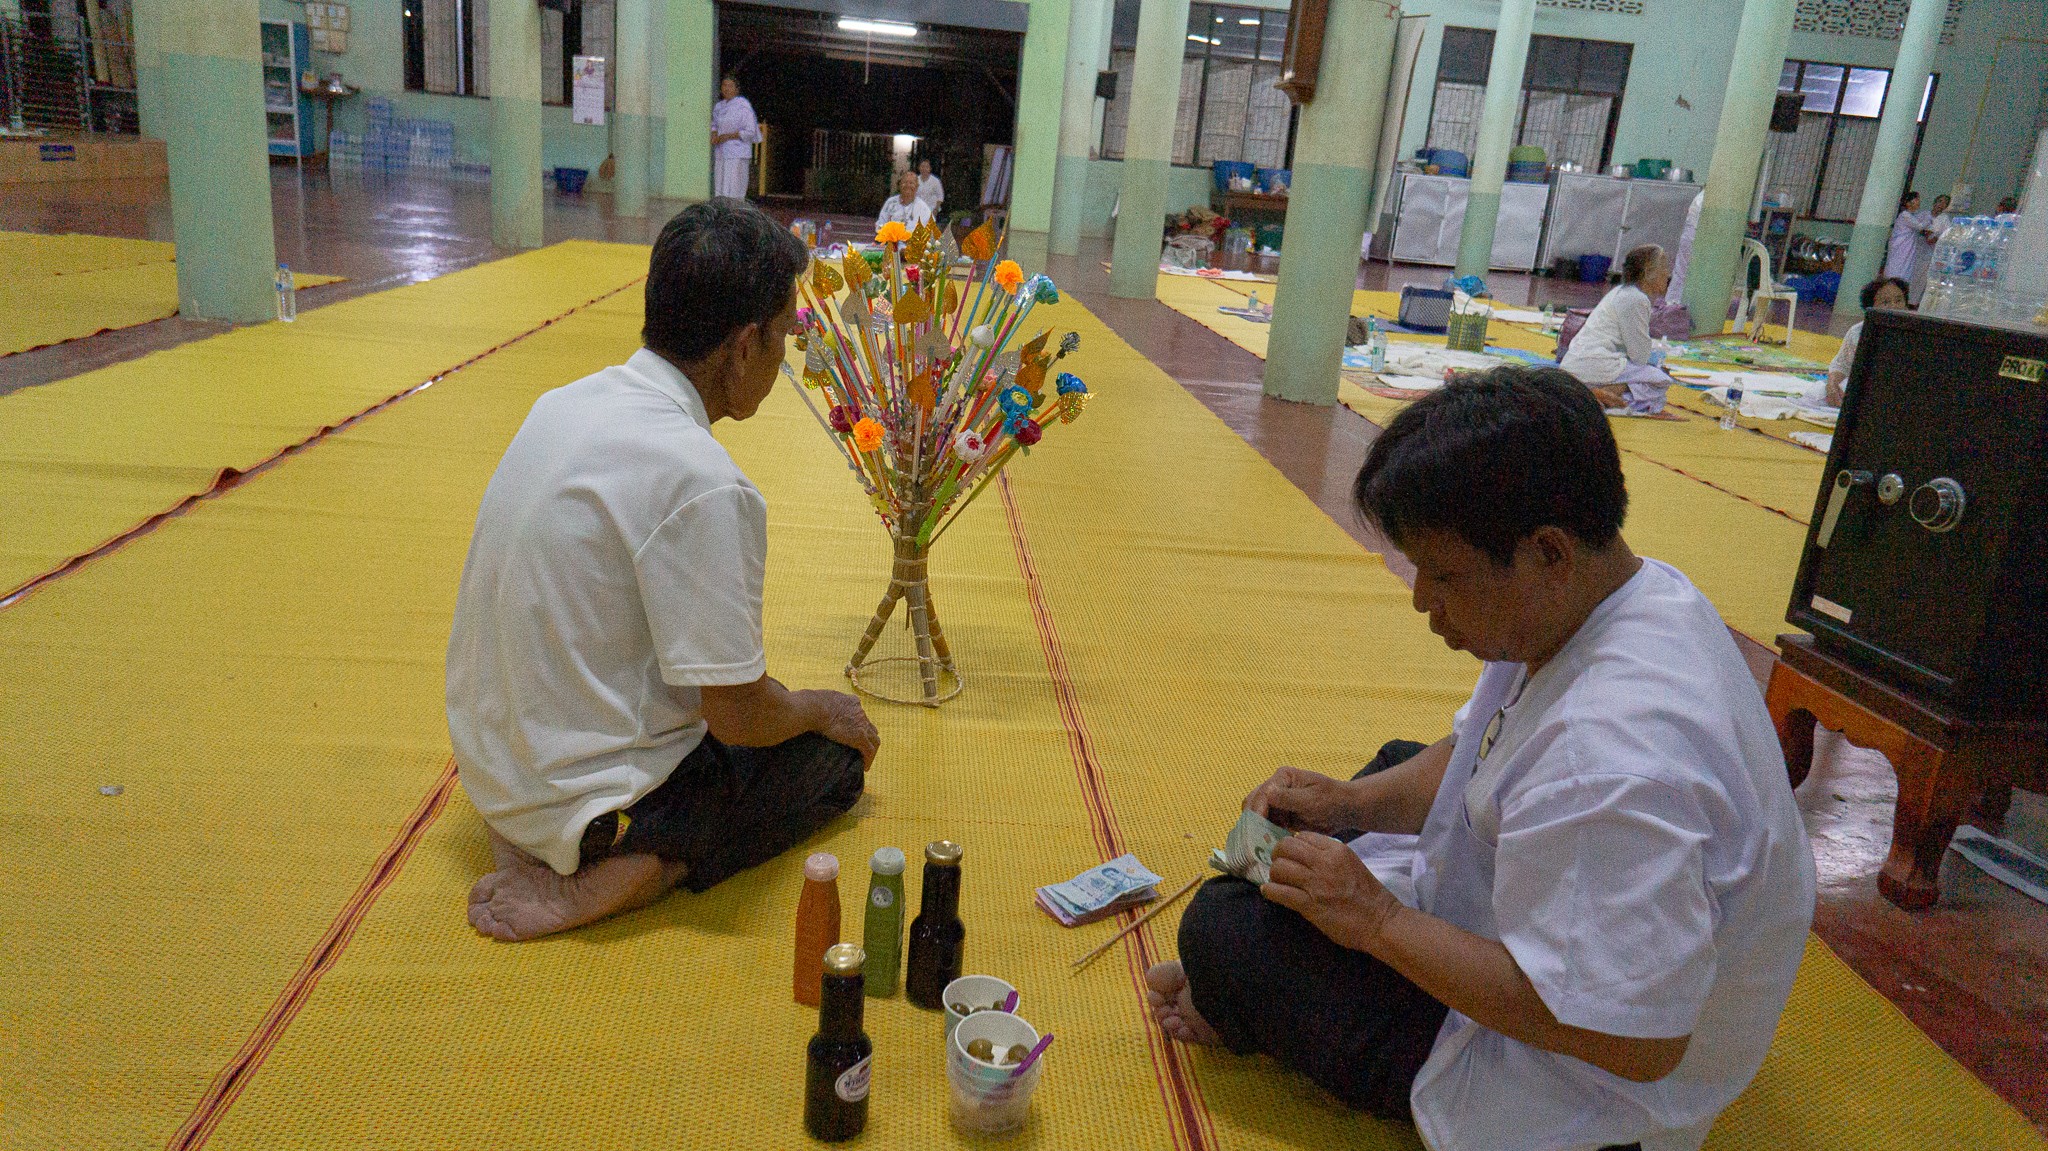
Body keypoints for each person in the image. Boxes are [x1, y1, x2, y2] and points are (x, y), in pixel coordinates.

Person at [1145, 366, 1816, 1151]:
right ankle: (1267, 965)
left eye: (1445, 575)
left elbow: (1638, 1042)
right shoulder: (1616, 596)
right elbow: (1480, 747)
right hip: (1578, 912)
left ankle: (1234, 999)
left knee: (1224, 931)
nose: (1421, 599)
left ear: (1548, 552)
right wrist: (1346, 804)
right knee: (1388, 771)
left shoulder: (1614, 756)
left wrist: (1378, 921)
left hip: (1581, 1082)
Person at [449, 199, 882, 943]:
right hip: (585, 803)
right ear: (743, 347)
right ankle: (621, 870)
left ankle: (535, 832)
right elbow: (739, 717)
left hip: (492, 772)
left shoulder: (562, 404)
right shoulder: (704, 482)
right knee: (834, 763)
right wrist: (820, 709)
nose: (783, 359)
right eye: (783, 337)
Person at [1558, 244, 1674, 415]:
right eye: (1663, 267)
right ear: (1648, 272)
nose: (1667, 274)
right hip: (1597, 365)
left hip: (1579, 364)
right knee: (1660, 381)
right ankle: (1599, 395)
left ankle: (1599, 394)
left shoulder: (1621, 292)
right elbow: (1640, 356)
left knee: (1647, 384)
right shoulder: (1636, 299)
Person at [1826, 277, 1909, 406]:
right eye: (1885, 302)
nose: (1894, 306)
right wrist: (1832, 385)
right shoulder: (1858, 332)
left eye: (1899, 300)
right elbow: (1841, 365)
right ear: (1870, 308)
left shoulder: (1913, 333)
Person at [711, 76, 761, 199]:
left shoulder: (743, 106)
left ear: (737, 89)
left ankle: (734, 209)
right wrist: (714, 134)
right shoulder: (719, 106)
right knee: (720, 186)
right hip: (721, 151)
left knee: (733, 186)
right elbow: (714, 124)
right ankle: (721, 208)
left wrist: (729, 136)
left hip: (737, 152)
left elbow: (750, 131)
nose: (726, 89)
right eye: (724, 85)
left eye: (730, 86)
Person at [1908, 194, 1950, 302]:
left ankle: (1914, 302)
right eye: (1940, 201)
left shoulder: (1944, 219)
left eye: (1945, 203)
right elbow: (1914, 228)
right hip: (1917, 249)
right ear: (1935, 202)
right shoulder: (1923, 215)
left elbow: (1945, 236)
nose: (1941, 204)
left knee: (1922, 278)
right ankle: (1906, 298)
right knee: (1911, 274)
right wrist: (1924, 233)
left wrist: (1935, 238)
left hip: (1930, 253)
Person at [1665, 188, 1704, 302]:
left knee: (1680, 275)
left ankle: (1671, 303)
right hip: (1695, 237)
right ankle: (1674, 304)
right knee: (1684, 275)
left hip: (1690, 235)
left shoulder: (1702, 196)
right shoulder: (1707, 198)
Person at [1885, 191, 1927, 280]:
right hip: (1901, 246)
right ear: (1908, 203)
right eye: (1916, 199)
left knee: (1905, 268)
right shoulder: (1905, 215)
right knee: (1897, 266)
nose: (1918, 201)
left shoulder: (1913, 215)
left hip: (1907, 247)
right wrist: (1930, 220)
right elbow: (1920, 226)